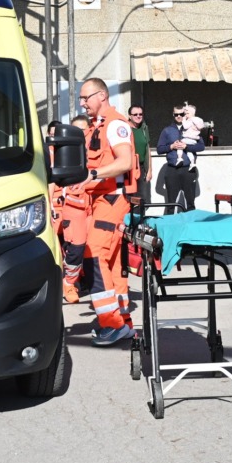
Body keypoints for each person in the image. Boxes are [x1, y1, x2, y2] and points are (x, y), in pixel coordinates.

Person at [79, 79, 141, 345]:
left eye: (86, 98)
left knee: (94, 255)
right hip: (104, 200)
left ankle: (112, 324)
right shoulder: (99, 126)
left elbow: (124, 162)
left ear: (102, 96)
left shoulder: (115, 125)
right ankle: (122, 322)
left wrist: (93, 174)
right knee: (113, 262)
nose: (82, 103)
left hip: (112, 199)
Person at [58, 114, 91, 302]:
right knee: (76, 248)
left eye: (83, 130)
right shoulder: (65, 151)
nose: (80, 134)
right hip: (74, 205)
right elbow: (54, 180)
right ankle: (69, 283)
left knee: (93, 248)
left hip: (94, 205)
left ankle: (86, 281)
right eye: (76, 130)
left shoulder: (96, 147)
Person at [156, 103, 205, 211]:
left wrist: (187, 147)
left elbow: (201, 146)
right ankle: (170, 222)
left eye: (181, 114)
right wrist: (171, 146)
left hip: (188, 169)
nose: (179, 116)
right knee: (171, 204)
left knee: (190, 203)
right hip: (172, 169)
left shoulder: (193, 127)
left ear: (185, 114)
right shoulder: (167, 130)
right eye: (176, 114)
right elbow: (159, 149)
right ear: (173, 115)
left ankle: (191, 222)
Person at [127, 104, 153, 206]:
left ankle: (139, 216)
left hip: (141, 167)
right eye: (135, 114)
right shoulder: (125, 128)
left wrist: (149, 170)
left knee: (141, 197)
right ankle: (130, 216)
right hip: (128, 168)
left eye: (140, 114)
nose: (138, 116)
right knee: (130, 196)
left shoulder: (144, 128)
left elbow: (147, 149)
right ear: (129, 116)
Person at [179, 103, 205, 171]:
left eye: (187, 113)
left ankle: (179, 158)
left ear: (192, 113)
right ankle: (192, 163)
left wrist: (184, 120)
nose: (185, 115)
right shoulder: (197, 121)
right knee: (189, 151)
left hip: (188, 138)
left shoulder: (191, 120)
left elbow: (185, 126)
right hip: (194, 140)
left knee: (179, 145)